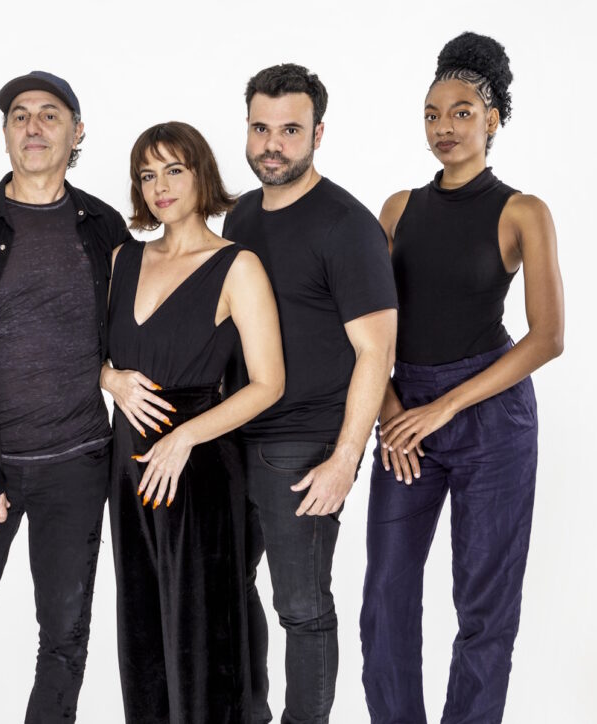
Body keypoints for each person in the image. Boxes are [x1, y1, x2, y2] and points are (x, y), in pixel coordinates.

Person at [360, 32, 565, 724]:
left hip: (491, 415)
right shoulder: (397, 209)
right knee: (385, 595)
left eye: (461, 112)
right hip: (405, 410)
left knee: (485, 605)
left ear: (492, 119)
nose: (443, 127)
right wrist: (389, 406)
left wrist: (445, 407)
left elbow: (549, 337)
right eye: (431, 114)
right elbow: (368, 328)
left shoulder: (523, 211)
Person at [0, 70, 130, 723]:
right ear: (6, 132)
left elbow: (129, 335)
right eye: (20, 115)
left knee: (65, 639)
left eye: (49, 115)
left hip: (78, 466)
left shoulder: (104, 226)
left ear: (77, 132)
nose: (33, 127)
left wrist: (113, 376)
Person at [222, 64, 398, 723]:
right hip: (233, 433)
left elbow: (376, 351)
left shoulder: (345, 224)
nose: (273, 144)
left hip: (302, 446)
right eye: (261, 128)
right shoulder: (241, 214)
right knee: (229, 591)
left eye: (290, 130)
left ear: (318, 133)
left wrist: (345, 458)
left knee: (301, 607)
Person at [101, 121, 285, 723]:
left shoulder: (237, 267)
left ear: (201, 174)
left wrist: (184, 436)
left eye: (174, 170)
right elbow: (90, 354)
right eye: (147, 175)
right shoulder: (123, 259)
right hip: (129, 467)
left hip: (199, 467)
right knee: (143, 629)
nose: (160, 186)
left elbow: (269, 383)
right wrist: (111, 380)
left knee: (204, 635)